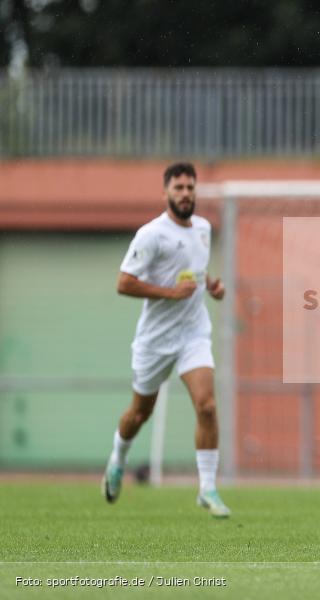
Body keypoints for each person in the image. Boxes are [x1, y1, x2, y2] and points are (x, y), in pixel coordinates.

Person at [102, 162, 231, 518]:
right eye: (179, 188)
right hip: (155, 339)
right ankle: (118, 458)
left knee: (206, 405)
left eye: (191, 187)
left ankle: (207, 488)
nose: (186, 194)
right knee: (139, 413)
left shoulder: (203, 229)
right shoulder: (151, 235)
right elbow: (123, 282)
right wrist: (170, 294)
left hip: (193, 333)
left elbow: (198, 272)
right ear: (166, 193)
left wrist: (213, 286)